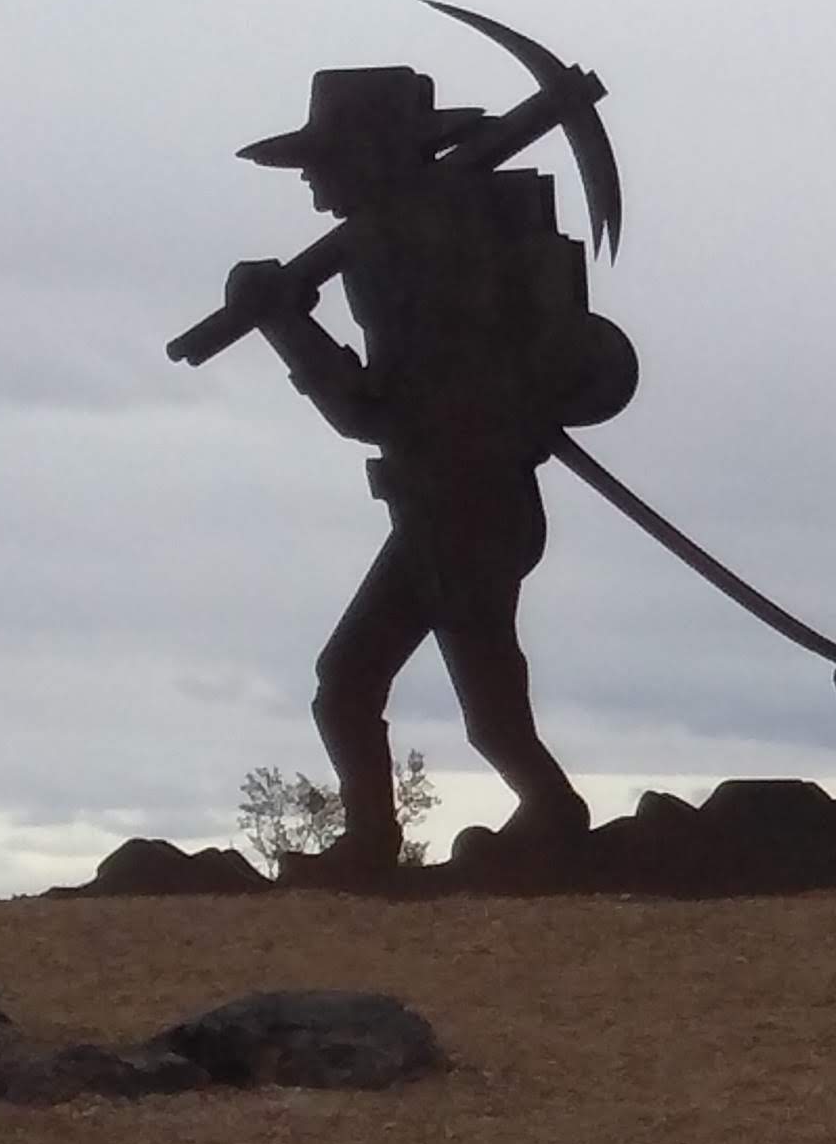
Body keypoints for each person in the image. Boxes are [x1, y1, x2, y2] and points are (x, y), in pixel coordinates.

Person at [220, 63, 635, 877]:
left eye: (324, 160)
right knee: (416, 690)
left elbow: (373, 411)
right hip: (459, 502)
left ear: (369, 157)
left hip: (461, 505)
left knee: (382, 685)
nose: (310, 180)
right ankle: (508, 820)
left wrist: (284, 325)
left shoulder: (405, 252)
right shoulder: (417, 238)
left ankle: (472, 830)